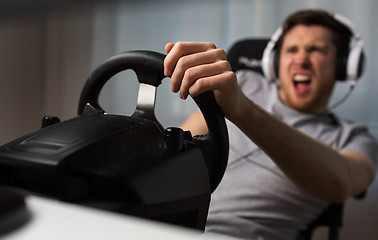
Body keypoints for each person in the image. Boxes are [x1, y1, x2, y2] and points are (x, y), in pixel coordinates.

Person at [163, 9, 378, 240]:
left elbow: (342, 184)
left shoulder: (353, 137)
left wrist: (242, 110)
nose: (301, 60)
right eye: (291, 50)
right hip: (162, 224)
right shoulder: (241, 83)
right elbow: (175, 151)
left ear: (343, 65)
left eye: (316, 50)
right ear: (274, 61)